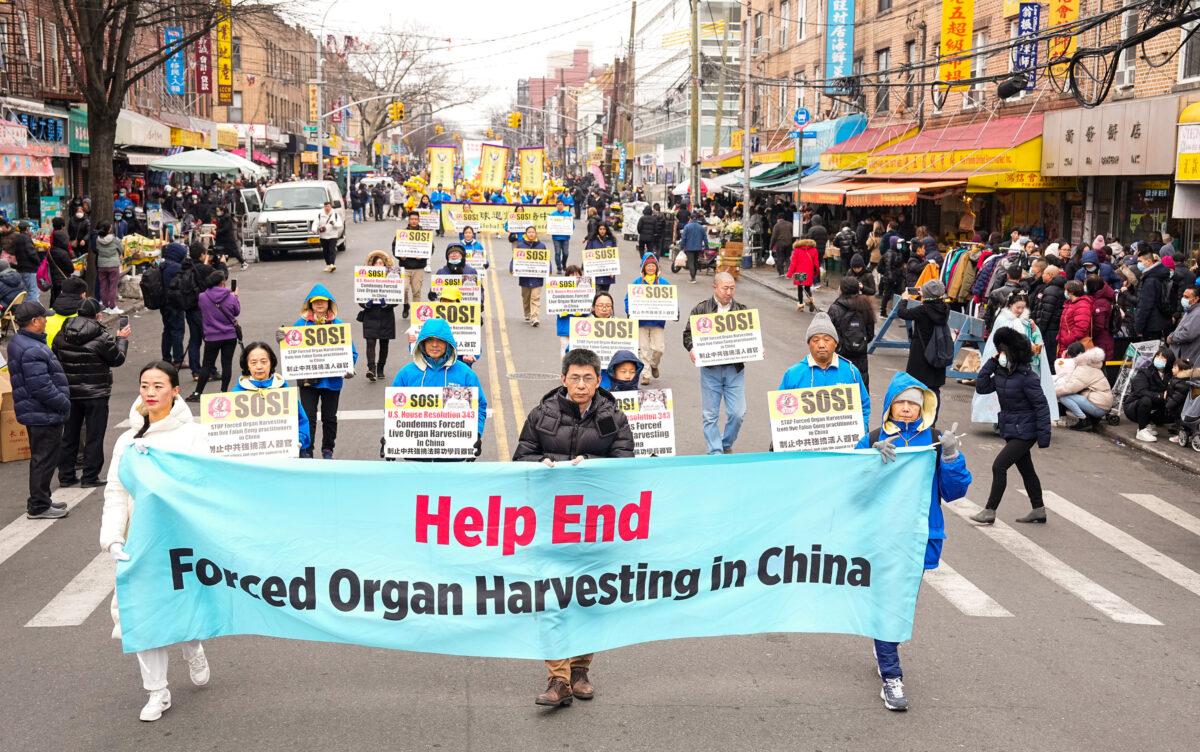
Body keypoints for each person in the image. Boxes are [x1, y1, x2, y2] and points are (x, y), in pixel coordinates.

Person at [512, 348, 635, 707]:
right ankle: (558, 678)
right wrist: (545, 462)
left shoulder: (613, 417)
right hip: (550, 521)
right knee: (552, 597)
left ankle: (580, 670)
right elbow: (521, 458)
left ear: (598, 381)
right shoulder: (542, 414)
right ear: (563, 379)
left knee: (588, 597)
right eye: (575, 378)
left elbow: (625, 463)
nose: (581, 385)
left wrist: (592, 463)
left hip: (596, 523)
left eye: (588, 378)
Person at [100, 362, 210, 722]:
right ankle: (157, 691)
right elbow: (116, 492)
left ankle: (193, 646)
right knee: (142, 614)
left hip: (180, 539)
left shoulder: (193, 435)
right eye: (145, 385)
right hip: (141, 541)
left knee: (182, 607)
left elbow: (207, 485)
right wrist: (113, 538)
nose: (150, 392)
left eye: (159, 386)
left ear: (175, 391)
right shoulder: (127, 441)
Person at [859, 373, 971, 711]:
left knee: (901, 603)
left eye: (913, 403)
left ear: (924, 408)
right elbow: (853, 489)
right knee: (891, 601)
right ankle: (891, 677)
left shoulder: (936, 441)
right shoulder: (873, 439)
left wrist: (951, 457)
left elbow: (954, 492)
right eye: (901, 402)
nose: (907, 408)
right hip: (881, 536)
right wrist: (867, 460)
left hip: (920, 536)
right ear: (889, 406)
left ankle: (884, 643)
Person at [971, 326, 1052, 524]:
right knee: (1026, 469)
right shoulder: (1001, 373)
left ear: (1013, 352)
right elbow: (981, 387)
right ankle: (1039, 509)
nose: (1000, 354)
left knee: (999, 466)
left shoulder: (1027, 377)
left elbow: (1041, 406)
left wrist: (1044, 437)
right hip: (1011, 428)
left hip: (1026, 430)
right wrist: (991, 364)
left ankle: (990, 510)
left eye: (1002, 351)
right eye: (998, 351)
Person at [52, 297, 130, 486]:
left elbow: (55, 357)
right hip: (96, 393)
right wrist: (121, 339)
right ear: (97, 315)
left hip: (70, 392)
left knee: (69, 435)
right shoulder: (102, 337)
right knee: (94, 435)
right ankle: (90, 476)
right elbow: (117, 359)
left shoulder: (61, 334)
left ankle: (66, 476)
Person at [6, 301, 72, 519]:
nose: (46, 321)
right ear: (34, 321)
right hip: (43, 413)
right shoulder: (32, 349)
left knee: (42, 458)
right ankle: (39, 506)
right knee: (44, 460)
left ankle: (42, 499)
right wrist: (63, 402)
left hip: (36, 411)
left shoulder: (21, 342)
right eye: (43, 318)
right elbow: (41, 387)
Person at [391, 318, 487, 459]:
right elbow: (392, 409)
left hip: (453, 456)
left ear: (448, 343)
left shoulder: (466, 373)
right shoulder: (406, 373)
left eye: (440, 340)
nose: (435, 345)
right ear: (422, 343)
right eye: (430, 340)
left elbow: (479, 406)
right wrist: (389, 438)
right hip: (416, 455)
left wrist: (476, 433)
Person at [683, 272, 749, 454]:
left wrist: (756, 347)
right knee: (710, 414)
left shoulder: (742, 310)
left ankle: (725, 443)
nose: (729, 292)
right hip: (710, 369)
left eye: (732, 288)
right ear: (715, 287)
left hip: (734, 369)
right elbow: (688, 334)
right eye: (725, 288)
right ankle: (715, 451)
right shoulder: (701, 309)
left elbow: (750, 336)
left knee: (738, 413)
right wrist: (692, 348)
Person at [973, 290, 1059, 428]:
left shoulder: (1026, 322)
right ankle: (1000, 420)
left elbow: (1033, 338)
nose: (1020, 310)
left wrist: (1034, 334)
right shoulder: (1003, 320)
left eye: (1023, 307)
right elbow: (998, 344)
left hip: (1023, 363)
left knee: (1019, 396)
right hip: (1008, 364)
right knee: (1007, 394)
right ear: (1010, 305)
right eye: (1017, 307)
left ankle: (1021, 422)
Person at [778, 311, 871, 434]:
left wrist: (861, 429)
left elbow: (863, 406)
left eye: (827, 339)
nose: (821, 345)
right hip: (805, 443)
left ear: (836, 343)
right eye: (815, 340)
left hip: (842, 441)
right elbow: (780, 412)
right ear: (808, 344)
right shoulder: (793, 374)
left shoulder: (851, 371)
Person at [294, 284, 356, 458]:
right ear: (310, 304)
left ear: (329, 303)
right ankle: (307, 449)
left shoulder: (339, 325)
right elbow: (290, 349)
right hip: (308, 382)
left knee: (329, 418)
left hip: (332, 381)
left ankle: (328, 448)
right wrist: (282, 339)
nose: (320, 304)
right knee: (308, 417)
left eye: (323, 301)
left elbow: (351, 352)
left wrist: (349, 367)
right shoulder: (300, 325)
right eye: (316, 302)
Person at [231, 342, 311, 453]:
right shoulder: (236, 393)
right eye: (253, 363)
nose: (259, 366)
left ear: (271, 363)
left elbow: (301, 420)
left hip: (283, 454)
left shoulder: (283, 389)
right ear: (247, 366)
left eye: (264, 362)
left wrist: (299, 439)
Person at [186, 271, 240, 399]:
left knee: (207, 365)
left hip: (211, 337)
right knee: (227, 364)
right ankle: (223, 392)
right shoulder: (231, 297)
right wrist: (236, 296)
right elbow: (236, 312)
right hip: (230, 336)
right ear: (222, 282)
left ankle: (198, 393)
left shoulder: (202, 297)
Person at [897, 279, 951, 402]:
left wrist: (904, 299)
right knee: (934, 390)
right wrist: (926, 297)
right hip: (937, 352)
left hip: (921, 353)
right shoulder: (945, 308)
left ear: (927, 294)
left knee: (917, 388)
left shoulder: (922, 310)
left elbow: (902, 313)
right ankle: (933, 412)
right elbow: (933, 305)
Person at [625, 253, 669, 384]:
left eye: (653, 265)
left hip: (658, 322)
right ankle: (645, 374)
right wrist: (629, 310)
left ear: (657, 267)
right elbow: (628, 299)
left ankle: (654, 364)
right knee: (643, 349)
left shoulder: (664, 283)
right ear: (643, 267)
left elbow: (671, 300)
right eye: (648, 265)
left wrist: (674, 311)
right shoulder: (637, 282)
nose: (650, 268)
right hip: (641, 322)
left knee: (658, 349)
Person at [827, 277, 877, 387]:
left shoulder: (835, 308)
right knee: (859, 388)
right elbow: (870, 335)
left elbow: (829, 334)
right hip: (860, 356)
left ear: (842, 289)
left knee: (839, 390)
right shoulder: (866, 305)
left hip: (839, 354)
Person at [1053, 342, 1113, 432]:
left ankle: (1084, 420)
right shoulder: (1089, 364)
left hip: (1099, 407)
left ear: (1071, 356)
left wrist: (1053, 392)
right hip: (1102, 404)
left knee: (1063, 396)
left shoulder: (1083, 368)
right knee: (1069, 394)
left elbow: (1070, 388)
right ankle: (1090, 418)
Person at [359, 250, 398, 382]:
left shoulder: (392, 277)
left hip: (386, 315)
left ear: (385, 265)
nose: (379, 265)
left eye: (381, 263)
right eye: (377, 263)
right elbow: (360, 296)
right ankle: (371, 369)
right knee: (370, 342)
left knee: (384, 343)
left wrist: (387, 304)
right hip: (370, 315)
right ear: (372, 265)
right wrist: (366, 304)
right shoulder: (364, 279)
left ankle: (381, 368)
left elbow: (396, 298)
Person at [1124, 346, 1174, 442]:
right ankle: (1141, 430)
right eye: (1157, 356)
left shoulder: (1170, 375)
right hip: (1134, 406)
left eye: (1163, 357)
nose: (1159, 359)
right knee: (1146, 399)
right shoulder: (1144, 372)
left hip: (1155, 407)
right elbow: (1140, 391)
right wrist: (1160, 395)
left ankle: (1149, 423)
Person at [1134, 248, 1173, 341]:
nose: (1138, 264)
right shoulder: (1160, 274)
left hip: (1151, 325)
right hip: (1160, 322)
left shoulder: (1151, 279)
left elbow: (1145, 305)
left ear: (1148, 261)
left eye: (1140, 261)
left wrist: (1138, 327)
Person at [512, 225, 547, 325]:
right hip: (525, 277)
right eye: (529, 232)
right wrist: (512, 268)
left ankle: (534, 317)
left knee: (535, 298)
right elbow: (514, 259)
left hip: (537, 277)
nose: (531, 234)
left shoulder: (541, 246)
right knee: (526, 297)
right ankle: (527, 313)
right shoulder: (520, 246)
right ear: (526, 234)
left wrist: (548, 269)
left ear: (536, 233)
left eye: (533, 232)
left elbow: (546, 259)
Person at [1031, 265, 1066, 365]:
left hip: (1049, 331)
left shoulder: (1050, 291)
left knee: (1049, 358)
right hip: (1054, 329)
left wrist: (1039, 331)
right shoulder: (1056, 288)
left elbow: (1046, 314)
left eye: (1044, 273)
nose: (1042, 275)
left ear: (1050, 275)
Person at [396, 211, 428, 318]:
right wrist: (400, 256)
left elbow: (430, 249)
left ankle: (416, 313)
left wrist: (423, 256)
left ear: (418, 220)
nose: (414, 221)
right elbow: (395, 247)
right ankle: (406, 305)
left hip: (418, 267)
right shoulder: (402, 233)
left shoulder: (424, 234)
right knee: (403, 289)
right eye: (412, 219)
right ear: (409, 220)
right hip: (405, 267)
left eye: (416, 219)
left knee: (416, 291)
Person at [45, 276, 88, 347]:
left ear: (61, 292)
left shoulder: (46, 314)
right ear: (83, 295)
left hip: (46, 352)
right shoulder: (86, 319)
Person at [93, 222, 125, 314]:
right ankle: (112, 306)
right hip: (113, 265)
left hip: (101, 265)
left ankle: (105, 305)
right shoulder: (114, 239)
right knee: (113, 286)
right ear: (108, 229)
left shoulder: (98, 239)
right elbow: (121, 249)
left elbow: (97, 250)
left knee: (103, 286)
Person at [1056, 280, 1094, 357]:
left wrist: (1066, 340)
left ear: (1071, 292)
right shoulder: (1070, 303)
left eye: (1066, 290)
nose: (1065, 292)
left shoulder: (1082, 305)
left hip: (1074, 347)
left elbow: (1081, 328)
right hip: (1067, 345)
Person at [1168, 284, 1200, 365]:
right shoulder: (1189, 310)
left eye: (1186, 297)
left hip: (1187, 356)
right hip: (1181, 353)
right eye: (1183, 296)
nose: (1183, 299)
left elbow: (1187, 334)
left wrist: (1172, 337)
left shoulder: (1198, 313)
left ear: (1196, 299)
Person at [786, 238, 821, 312]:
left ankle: (801, 306)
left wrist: (789, 273)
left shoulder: (796, 250)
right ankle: (810, 301)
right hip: (809, 272)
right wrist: (817, 272)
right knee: (807, 288)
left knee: (800, 289)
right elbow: (816, 263)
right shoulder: (814, 250)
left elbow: (793, 263)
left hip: (799, 272)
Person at [47, 216, 74, 307]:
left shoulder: (50, 251)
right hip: (62, 279)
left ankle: (52, 310)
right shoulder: (63, 253)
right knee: (61, 298)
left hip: (53, 278)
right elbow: (71, 269)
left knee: (54, 296)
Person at [12, 221, 42, 300]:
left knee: (26, 291)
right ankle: (33, 307)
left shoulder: (17, 238)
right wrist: (38, 262)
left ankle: (27, 307)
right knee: (33, 290)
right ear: (27, 229)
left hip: (21, 268)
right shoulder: (26, 238)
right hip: (30, 268)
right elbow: (31, 253)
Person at [585, 222, 618, 293]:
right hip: (595, 272)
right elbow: (587, 254)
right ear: (597, 230)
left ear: (606, 230)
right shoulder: (592, 240)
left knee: (605, 294)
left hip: (608, 273)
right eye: (600, 229)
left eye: (604, 229)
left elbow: (615, 257)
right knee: (597, 294)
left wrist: (613, 271)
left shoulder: (611, 240)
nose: (602, 231)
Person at [312, 200, 343, 273]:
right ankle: (328, 265)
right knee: (325, 251)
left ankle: (332, 264)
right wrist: (314, 230)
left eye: (328, 206)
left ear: (331, 207)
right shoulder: (320, 214)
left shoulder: (335, 214)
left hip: (333, 235)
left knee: (332, 249)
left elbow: (340, 224)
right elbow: (315, 223)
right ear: (324, 207)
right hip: (323, 236)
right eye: (325, 206)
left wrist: (334, 224)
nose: (327, 208)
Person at [679, 211, 708, 283]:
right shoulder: (701, 227)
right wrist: (706, 247)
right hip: (698, 247)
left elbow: (683, 238)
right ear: (697, 219)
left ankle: (693, 278)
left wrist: (681, 246)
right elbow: (705, 238)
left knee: (691, 262)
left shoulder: (687, 226)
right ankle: (693, 277)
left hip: (689, 247)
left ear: (690, 218)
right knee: (695, 262)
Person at [550, 199, 573, 274]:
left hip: (565, 237)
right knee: (557, 252)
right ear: (556, 206)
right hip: (556, 237)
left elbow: (572, 225)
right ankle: (559, 268)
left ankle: (563, 264)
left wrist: (569, 229)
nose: (560, 206)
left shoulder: (568, 214)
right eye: (558, 204)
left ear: (564, 205)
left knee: (566, 253)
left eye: (561, 204)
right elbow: (549, 225)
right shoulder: (553, 215)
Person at [768, 212, 793, 277]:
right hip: (789, 243)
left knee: (780, 258)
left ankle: (781, 273)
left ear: (778, 219)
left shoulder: (777, 225)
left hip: (780, 244)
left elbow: (774, 237)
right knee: (788, 257)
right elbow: (793, 235)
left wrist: (771, 246)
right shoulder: (790, 224)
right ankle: (789, 272)